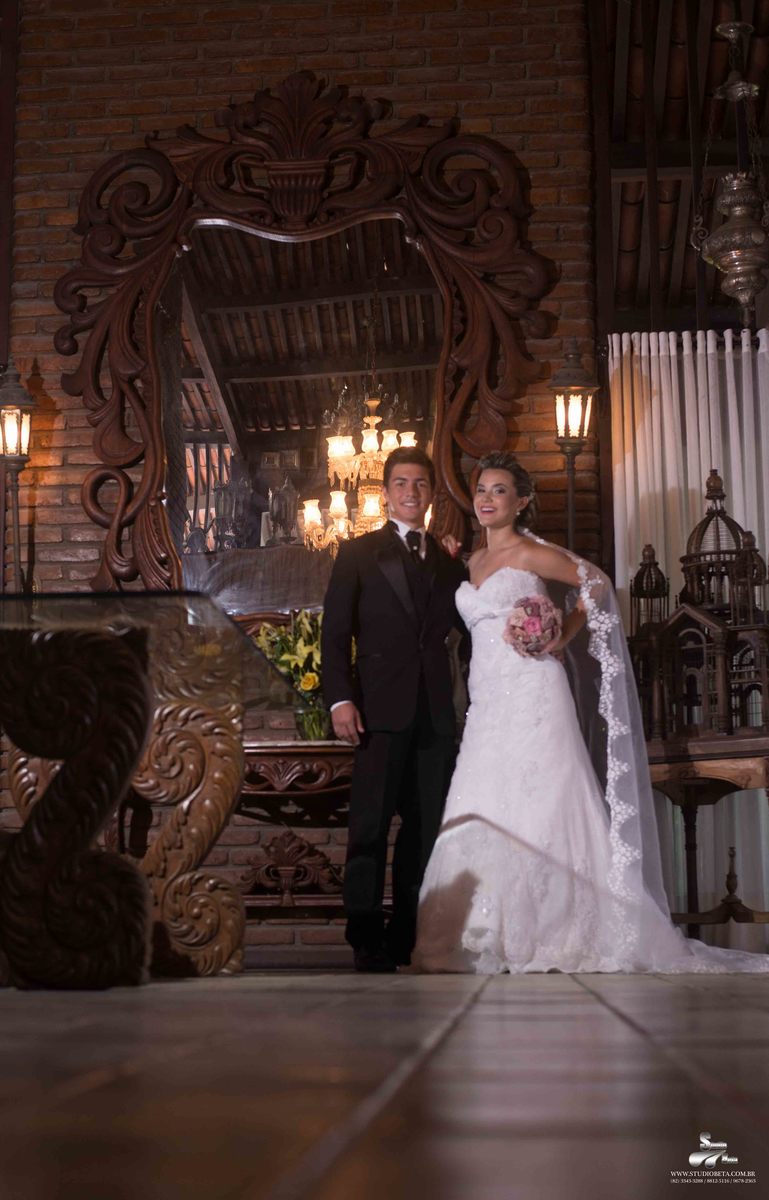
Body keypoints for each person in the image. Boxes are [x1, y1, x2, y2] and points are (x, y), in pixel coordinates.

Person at [412, 451, 769, 975]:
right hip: (488, 702)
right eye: (482, 490)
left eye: (499, 490)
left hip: (535, 692)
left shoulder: (530, 552)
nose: (487, 499)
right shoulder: (471, 561)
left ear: (521, 501)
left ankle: (561, 930)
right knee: (482, 800)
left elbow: (596, 583)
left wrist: (560, 635)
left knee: (547, 800)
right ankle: (486, 933)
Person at [321, 447, 467, 972]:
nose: (411, 492)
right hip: (377, 712)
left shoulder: (448, 563)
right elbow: (334, 634)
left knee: (425, 832)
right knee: (369, 828)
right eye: (401, 483)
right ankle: (365, 937)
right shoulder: (357, 553)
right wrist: (340, 698)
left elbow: (468, 631)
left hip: (435, 716)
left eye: (420, 484)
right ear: (385, 493)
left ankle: (407, 935)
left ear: (431, 495)